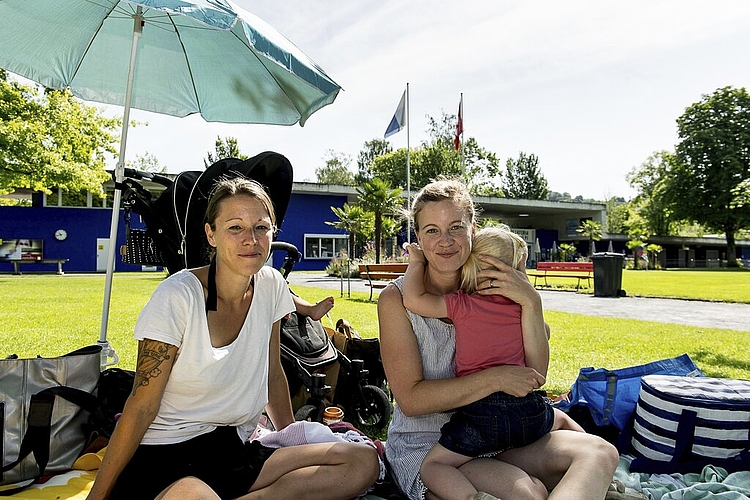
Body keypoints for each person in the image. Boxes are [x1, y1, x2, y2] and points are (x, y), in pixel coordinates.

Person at [88, 176, 378, 500]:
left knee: (362, 461)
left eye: (261, 227)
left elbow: (270, 371)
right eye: (235, 228)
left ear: (273, 233)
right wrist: (97, 496)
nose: (250, 240)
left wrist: (288, 435)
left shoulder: (270, 285)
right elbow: (140, 406)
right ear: (211, 234)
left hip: (233, 451)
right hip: (167, 454)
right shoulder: (178, 296)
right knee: (194, 494)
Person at [379, 178, 619, 500]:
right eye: (432, 230)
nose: (445, 241)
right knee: (528, 493)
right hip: (433, 446)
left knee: (600, 453)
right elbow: (412, 400)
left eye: (456, 227)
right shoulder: (397, 299)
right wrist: (495, 378)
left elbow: (536, 372)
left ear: (472, 229)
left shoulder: (497, 288)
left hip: (500, 432)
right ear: (418, 238)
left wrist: (531, 302)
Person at [402, 226, 584, 500]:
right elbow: (540, 358)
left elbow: (414, 299)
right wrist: (528, 293)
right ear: (517, 272)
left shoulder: (463, 304)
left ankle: (471, 497)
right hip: (527, 410)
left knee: (434, 466)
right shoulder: (522, 309)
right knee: (564, 421)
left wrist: (416, 263)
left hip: (481, 416)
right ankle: (607, 484)